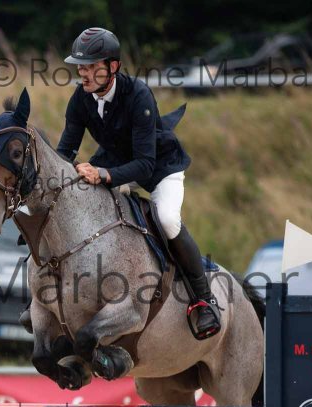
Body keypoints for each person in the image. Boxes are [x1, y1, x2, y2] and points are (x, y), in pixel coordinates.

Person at [56, 27, 220, 339]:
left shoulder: (138, 95)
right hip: (116, 164)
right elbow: (65, 152)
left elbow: (145, 163)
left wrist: (102, 174)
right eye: (80, 67)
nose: (83, 73)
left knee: (167, 219)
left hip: (158, 168)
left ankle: (204, 300)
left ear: (113, 67)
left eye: (91, 67)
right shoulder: (80, 99)